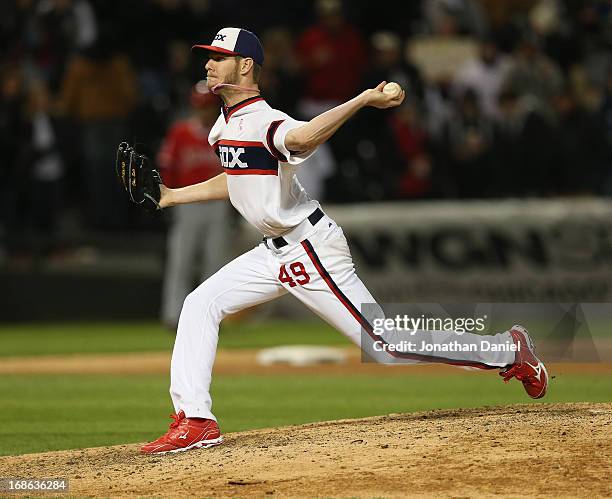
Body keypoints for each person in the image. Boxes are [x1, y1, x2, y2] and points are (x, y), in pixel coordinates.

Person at [141, 27, 549, 455]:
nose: (208, 63)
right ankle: (196, 420)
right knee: (199, 303)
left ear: (245, 66)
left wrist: (362, 100)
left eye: (218, 57)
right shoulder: (224, 125)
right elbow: (238, 179)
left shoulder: (263, 119)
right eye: (208, 56)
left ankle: (508, 349)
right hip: (270, 253)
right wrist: (172, 195)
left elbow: (301, 138)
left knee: (387, 346)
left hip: (309, 248)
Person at [158, 82, 229, 329]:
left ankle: (210, 318)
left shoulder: (225, 132)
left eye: (208, 106)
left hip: (218, 203)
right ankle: (172, 316)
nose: (204, 111)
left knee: (215, 262)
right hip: (187, 203)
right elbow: (167, 167)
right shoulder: (180, 132)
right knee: (181, 261)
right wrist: (168, 200)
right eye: (200, 106)